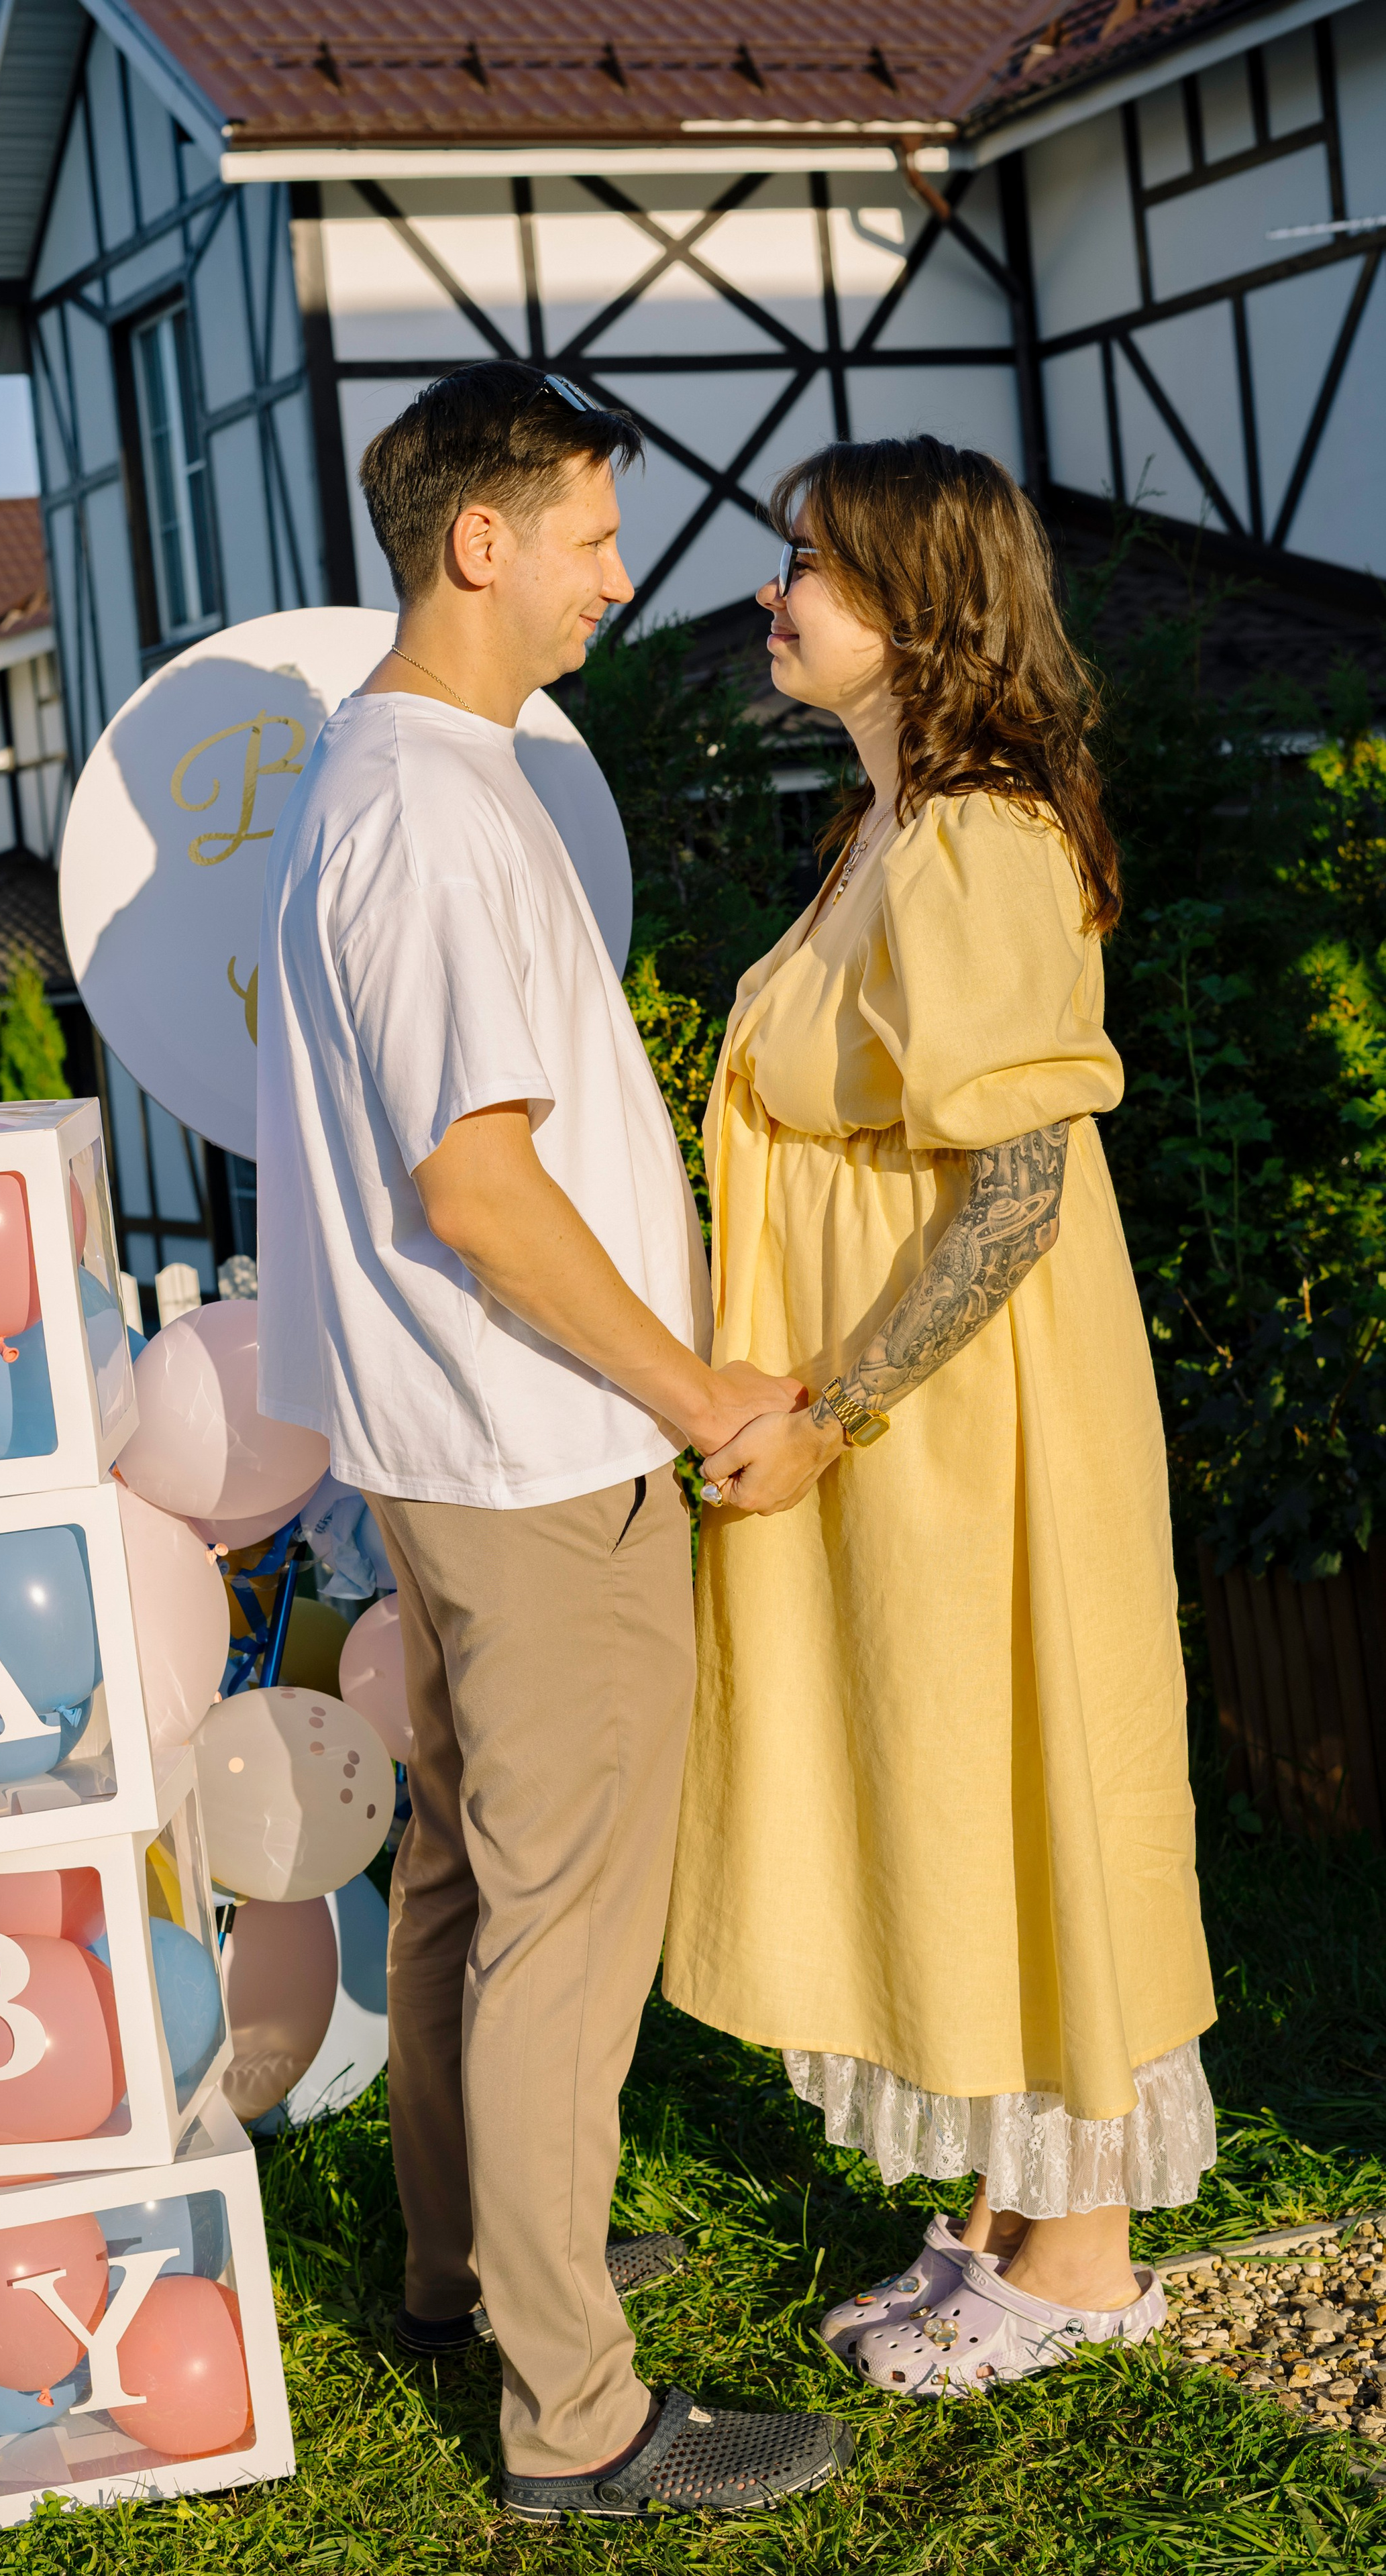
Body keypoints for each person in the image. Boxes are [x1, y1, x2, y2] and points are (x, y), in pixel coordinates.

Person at [254, 362, 852, 2519]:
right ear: (480, 541)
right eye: (593, 537)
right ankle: (577, 2419)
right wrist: (698, 1397)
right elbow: (480, 1186)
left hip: (465, 1440)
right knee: (558, 1928)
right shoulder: (423, 807)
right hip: (530, 1451)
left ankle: (475, 2269)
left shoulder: (422, 776)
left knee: (467, 1882)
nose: (621, 576)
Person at [662, 436, 1218, 2396]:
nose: (773, 592)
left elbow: (1017, 1191)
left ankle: (1084, 2255)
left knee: (1025, 1775)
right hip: (912, 1414)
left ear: (920, 604)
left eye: (812, 562)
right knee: (945, 1785)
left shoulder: (978, 834)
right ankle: (1002, 2202)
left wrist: (835, 1408)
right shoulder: (890, 823)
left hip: (983, 1422)